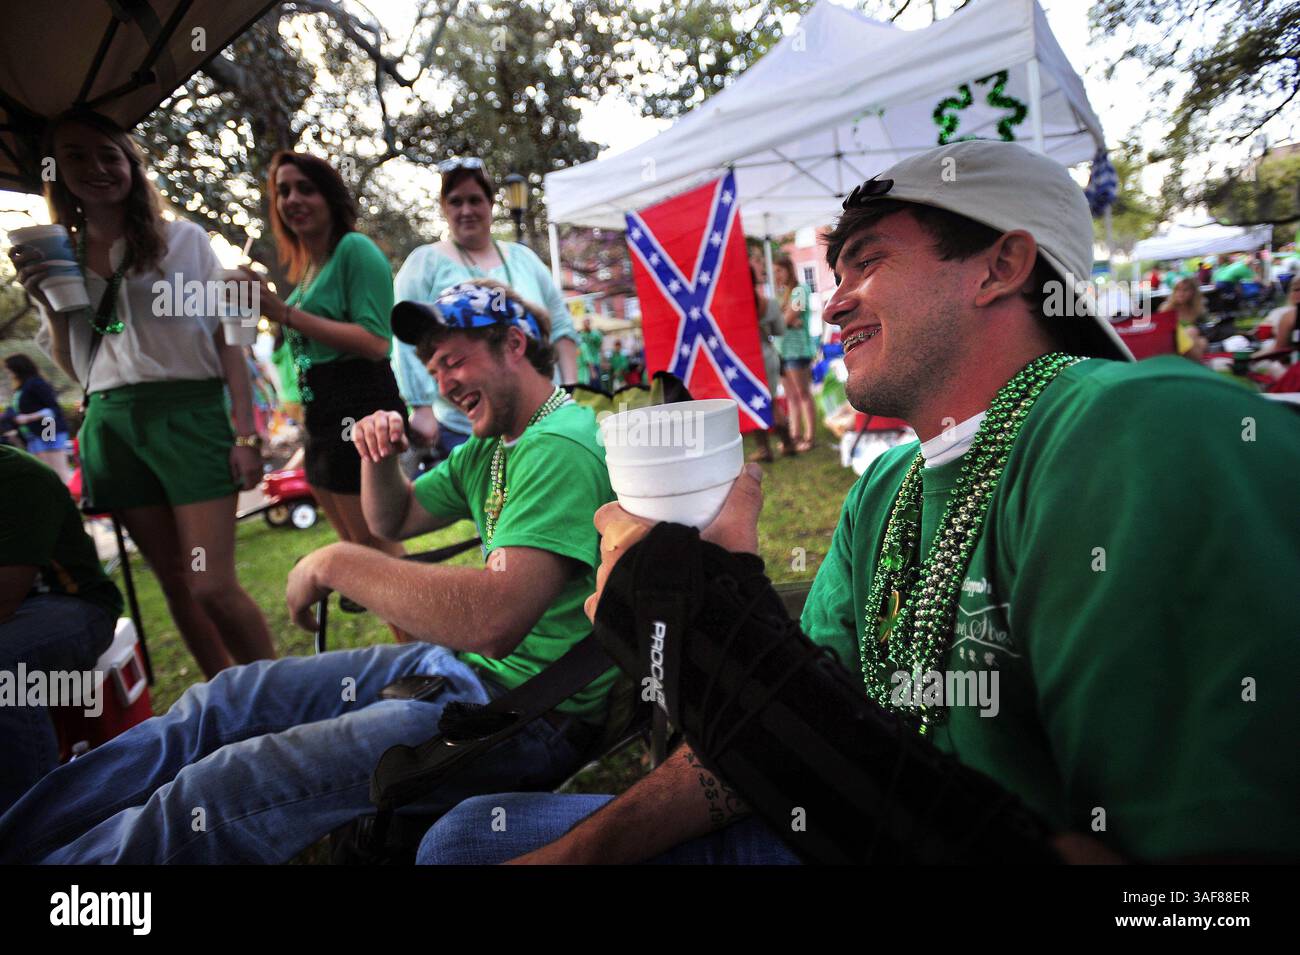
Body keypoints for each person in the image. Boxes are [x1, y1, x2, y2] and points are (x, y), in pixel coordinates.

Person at [418, 140, 1300, 865]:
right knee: (463, 842)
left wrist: (723, 646)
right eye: (834, 269)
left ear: (1002, 265)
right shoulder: (886, 485)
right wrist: (587, 853)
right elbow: (785, 731)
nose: (831, 302)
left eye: (866, 260)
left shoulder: (1145, 431)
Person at [0, 281, 617, 864]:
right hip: (455, 671)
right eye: (432, 369)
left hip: (523, 713)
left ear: (512, 345)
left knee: (228, 784)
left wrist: (337, 561)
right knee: (223, 701)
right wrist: (379, 457)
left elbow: (492, 620)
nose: (443, 382)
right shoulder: (494, 444)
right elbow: (396, 518)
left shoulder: (557, 445)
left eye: (453, 360)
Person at [8, 109, 273, 678]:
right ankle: (226, 704)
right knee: (176, 585)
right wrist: (53, 304)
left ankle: (284, 695)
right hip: (111, 419)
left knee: (212, 586)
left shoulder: (183, 240)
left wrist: (247, 431)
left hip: (190, 413)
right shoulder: (60, 255)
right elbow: (77, 363)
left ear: (131, 163)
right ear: (56, 172)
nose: (97, 167)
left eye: (110, 153)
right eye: (76, 155)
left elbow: (232, 333)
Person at [248, 152, 412, 635]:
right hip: (323, 412)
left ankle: (427, 656)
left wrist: (284, 314)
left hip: (360, 405)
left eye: (305, 188)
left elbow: (376, 340)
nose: (293, 199)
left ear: (330, 197)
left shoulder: (354, 251)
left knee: (377, 546)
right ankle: (410, 647)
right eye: (283, 191)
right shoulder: (308, 268)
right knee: (357, 550)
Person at [391, 158, 579, 462]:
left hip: (541, 416)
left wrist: (572, 388)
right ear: (443, 208)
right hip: (462, 427)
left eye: (475, 200)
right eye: (455, 202)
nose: (466, 210)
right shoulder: (424, 262)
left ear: (491, 204)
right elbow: (404, 342)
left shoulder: (524, 258)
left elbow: (560, 324)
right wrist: (421, 407)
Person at [0, 445, 124, 812]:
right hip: (23, 608)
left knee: (3, 660)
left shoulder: (15, 477)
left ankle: (32, 819)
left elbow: (4, 599)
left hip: (74, 604)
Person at [1, 354, 71, 483]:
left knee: (57, 470)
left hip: (48, 429)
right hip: (33, 433)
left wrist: (28, 418)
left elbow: (53, 409)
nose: (7, 372)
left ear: (18, 368)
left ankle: (68, 497)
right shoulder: (22, 387)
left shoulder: (37, 383)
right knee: (43, 471)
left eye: (9, 369)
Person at [748, 263, 793, 462]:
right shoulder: (770, 303)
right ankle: (788, 443)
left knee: (753, 404)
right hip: (768, 356)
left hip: (747, 360)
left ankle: (764, 449)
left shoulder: (732, 307)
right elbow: (780, 331)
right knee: (773, 401)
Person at [776, 256, 818, 452]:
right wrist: (785, 316)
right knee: (791, 396)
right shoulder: (782, 294)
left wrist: (786, 317)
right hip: (781, 351)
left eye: (779, 271)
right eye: (773, 272)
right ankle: (794, 435)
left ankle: (809, 437)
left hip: (797, 350)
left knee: (803, 394)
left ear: (789, 269)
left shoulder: (801, 290)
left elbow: (785, 320)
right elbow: (779, 321)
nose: (776, 275)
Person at [1155, 276, 1208, 361]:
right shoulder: (1166, 308)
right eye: (1177, 290)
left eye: (1185, 290)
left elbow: (1203, 331)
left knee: (1202, 342)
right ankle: (1198, 366)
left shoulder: (1197, 310)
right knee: (1191, 331)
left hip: (1190, 343)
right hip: (1171, 343)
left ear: (1193, 292)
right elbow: (1161, 333)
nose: (1181, 293)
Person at [578, 318, 604, 389]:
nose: (585, 325)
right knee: (589, 384)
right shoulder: (581, 335)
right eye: (584, 323)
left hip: (594, 361)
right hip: (585, 363)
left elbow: (600, 345)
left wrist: (602, 358)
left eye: (587, 323)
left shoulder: (595, 334)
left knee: (596, 383)